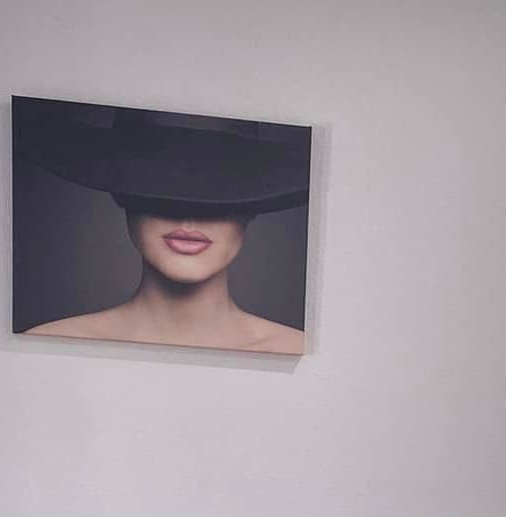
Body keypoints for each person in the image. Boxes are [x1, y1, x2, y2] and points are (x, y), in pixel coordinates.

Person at [16, 102, 310, 353]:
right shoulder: (47, 346)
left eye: (220, 194)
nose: (188, 219)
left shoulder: (303, 354)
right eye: (160, 187)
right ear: (124, 195)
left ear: (251, 208)